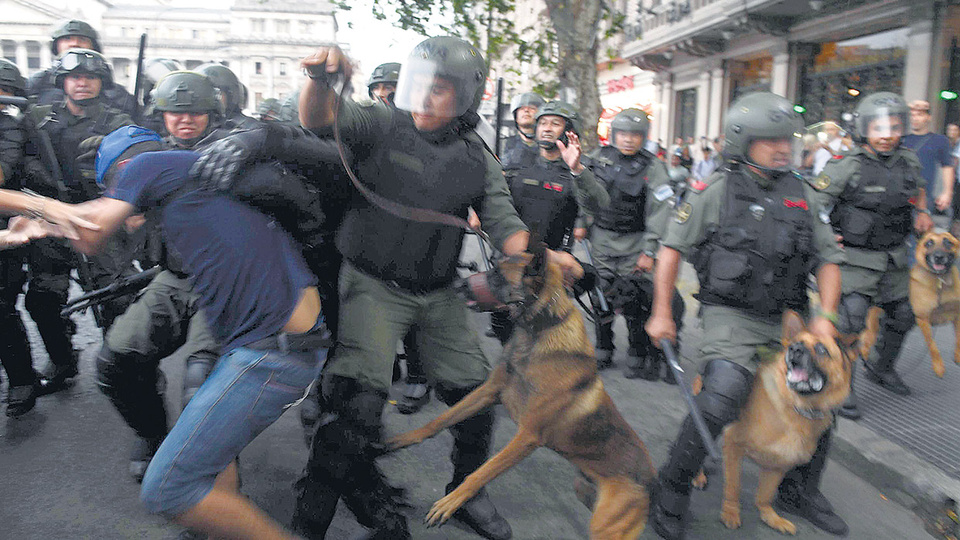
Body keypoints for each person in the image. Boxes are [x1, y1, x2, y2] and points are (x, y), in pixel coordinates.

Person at [289, 36, 582, 540]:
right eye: (419, 85)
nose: (425, 98)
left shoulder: (477, 157)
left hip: (438, 291)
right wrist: (319, 78)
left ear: (465, 96)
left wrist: (545, 256)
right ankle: (308, 519)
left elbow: (504, 223)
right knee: (356, 404)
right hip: (371, 283)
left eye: (440, 90)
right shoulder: (381, 122)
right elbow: (319, 118)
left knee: (476, 394)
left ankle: (467, 491)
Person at [66, 125, 331, 540]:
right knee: (115, 359)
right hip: (175, 280)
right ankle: (156, 438)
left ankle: (206, 497)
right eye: (174, 111)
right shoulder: (150, 185)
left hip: (239, 295)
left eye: (192, 111)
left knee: (202, 381)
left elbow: (95, 229)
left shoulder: (213, 161)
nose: (183, 119)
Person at [645, 92, 847, 539]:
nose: (783, 147)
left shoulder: (804, 194)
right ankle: (672, 487)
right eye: (770, 140)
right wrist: (663, 312)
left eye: (786, 139)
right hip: (731, 315)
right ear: (744, 142)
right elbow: (671, 249)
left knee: (824, 396)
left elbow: (828, 260)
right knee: (724, 391)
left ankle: (801, 489)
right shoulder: (715, 191)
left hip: (789, 318)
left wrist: (826, 318)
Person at [812, 92, 933, 420]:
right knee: (850, 321)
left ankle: (880, 367)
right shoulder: (846, 166)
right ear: (865, 129)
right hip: (854, 260)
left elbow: (918, 186)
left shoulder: (908, 160)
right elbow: (815, 205)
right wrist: (826, 235)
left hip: (893, 258)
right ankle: (841, 382)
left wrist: (921, 209)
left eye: (894, 127)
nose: (887, 135)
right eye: (879, 128)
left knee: (905, 316)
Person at [27, 48, 134, 391]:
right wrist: (42, 177)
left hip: (99, 216)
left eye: (90, 77)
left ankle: (123, 364)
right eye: (75, 77)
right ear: (63, 81)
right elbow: (19, 155)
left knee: (116, 296)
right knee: (43, 296)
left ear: (101, 82)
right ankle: (62, 361)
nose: (82, 83)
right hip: (51, 218)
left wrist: (111, 151)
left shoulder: (117, 122)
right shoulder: (39, 117)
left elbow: (138, 161)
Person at [489, 100, 609, 344]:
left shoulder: (580, 168)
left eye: (555, 123)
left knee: (543, 332)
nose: (546, 128)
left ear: (569, 130)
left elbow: (600, 205)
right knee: (504, 325)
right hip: (512, 256)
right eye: (542, 122)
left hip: (553, 263)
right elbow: (494, 201)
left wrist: (577, 169)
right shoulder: (516, 161)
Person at [584, 108, 675, 376]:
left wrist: (650, 250)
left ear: (643, 137)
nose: (628, 140)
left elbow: (661, 211)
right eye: (622, 133)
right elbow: (582, 191)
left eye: (635, 135)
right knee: (600, 296)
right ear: (614, 134)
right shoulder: (597, 159)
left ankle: (636, 351)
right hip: (601, 240)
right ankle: (603, 348)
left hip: (635, 243)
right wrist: (581, 223)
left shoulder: (654, 166)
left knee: (635, 300)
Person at [26, 20, 137, 119]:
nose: (74, 43)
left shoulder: (116, 93)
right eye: (67, 39)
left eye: (82, 39)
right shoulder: (38, 82)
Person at [903, 100, 954, 229]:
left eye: (920, 115)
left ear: (928, 117)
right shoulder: (901, 139)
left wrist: (947, 192)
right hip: (901, 194)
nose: (915, 118)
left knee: (921, 235)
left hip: (926, 196)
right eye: (912, 115)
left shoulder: (940, 141)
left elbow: (947, 166)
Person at [196, 63, 259, 131]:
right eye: (204, 94)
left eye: (217, 94)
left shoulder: (249, 129)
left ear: (231, 97)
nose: (208, 99)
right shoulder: (196, 127)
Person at [500, 91, 545, 170]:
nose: (526, 110)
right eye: (521, 108)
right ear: (516, 116)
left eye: (532, 108)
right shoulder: (502, 144)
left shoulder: (548, 145)